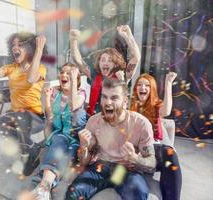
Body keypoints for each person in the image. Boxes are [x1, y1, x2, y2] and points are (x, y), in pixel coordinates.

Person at [65, 79, 156, 200]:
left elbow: (152, 164)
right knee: (73, 192)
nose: (107, 102)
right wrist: (84, 146)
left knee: (137, 191)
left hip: (126, 170)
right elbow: (84, 162)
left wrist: (135, 158)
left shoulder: (141, 123)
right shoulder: (93, 121)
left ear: (125, 101)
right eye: (104, 97)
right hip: (101, 167)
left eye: (114, 98)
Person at [0, 31, 48, 176]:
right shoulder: (11, 68)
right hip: (16, 115)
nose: (15, 48)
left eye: (20, 45)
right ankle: (29, 147)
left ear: (30, 48)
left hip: (35, 117)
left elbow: (31, 79)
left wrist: (39, 49)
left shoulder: (40, 68)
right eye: (13, 45)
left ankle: (28, 150)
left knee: (19, 119)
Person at [30, 63, 87, 200]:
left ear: (77, 79)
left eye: (69, 73)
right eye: (62, 72)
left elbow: (74, 106)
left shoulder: (81, 93)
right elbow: (49, 119)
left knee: (67, 157)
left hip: (75, 138)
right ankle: (44, 189)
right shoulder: (55, 93)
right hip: (59, 135)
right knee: (60, 143)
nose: (64, 75)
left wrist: (74, 82)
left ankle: (41, 185)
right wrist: (48, 101)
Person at [130, 72, 182, 200]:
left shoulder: (155, 105)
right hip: (138, 151)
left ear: (151, 88)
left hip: (156, 149)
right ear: (135, 88)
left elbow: (166, 110)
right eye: (140, 85)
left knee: (170, 154)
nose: (143, 88)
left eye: (147, 85)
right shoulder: (130, 105)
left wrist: (168, 83)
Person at [69, 25, 141, 116]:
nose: (105, 63)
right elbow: (78, 60)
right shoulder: (94, 75)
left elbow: (136, 57)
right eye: (103, 60)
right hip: (96, 120)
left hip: (116, 121)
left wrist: (128, 36)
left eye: (110, 60)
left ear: (115, 64)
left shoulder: (122, 76)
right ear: (98, 63)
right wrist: (73, 41)